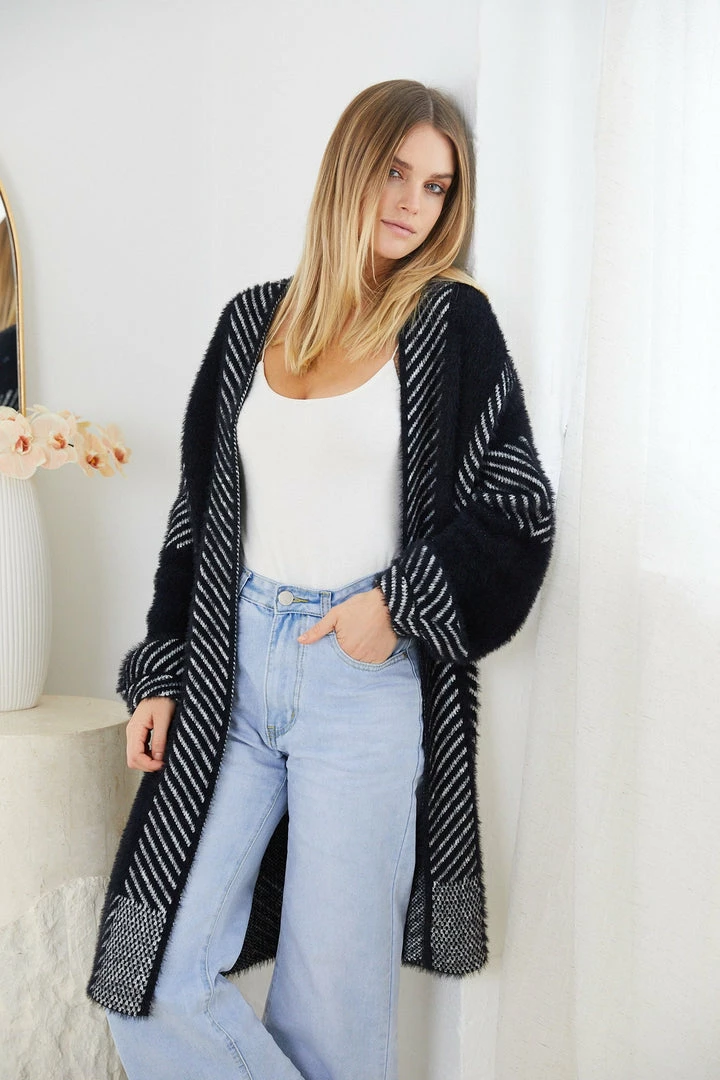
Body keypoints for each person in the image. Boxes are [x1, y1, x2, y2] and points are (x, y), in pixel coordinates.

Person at [87, 79, 555, 1080]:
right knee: (149, 974)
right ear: (350, 168)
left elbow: (519, 509)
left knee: (332, 1023)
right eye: (396, 173)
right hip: (229, 675)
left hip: (361, 679)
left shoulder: (449, 323)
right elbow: (195, 519)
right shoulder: (250, 321)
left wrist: (398, 607)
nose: (413, 203)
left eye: (437, 187)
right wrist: (163, 669)